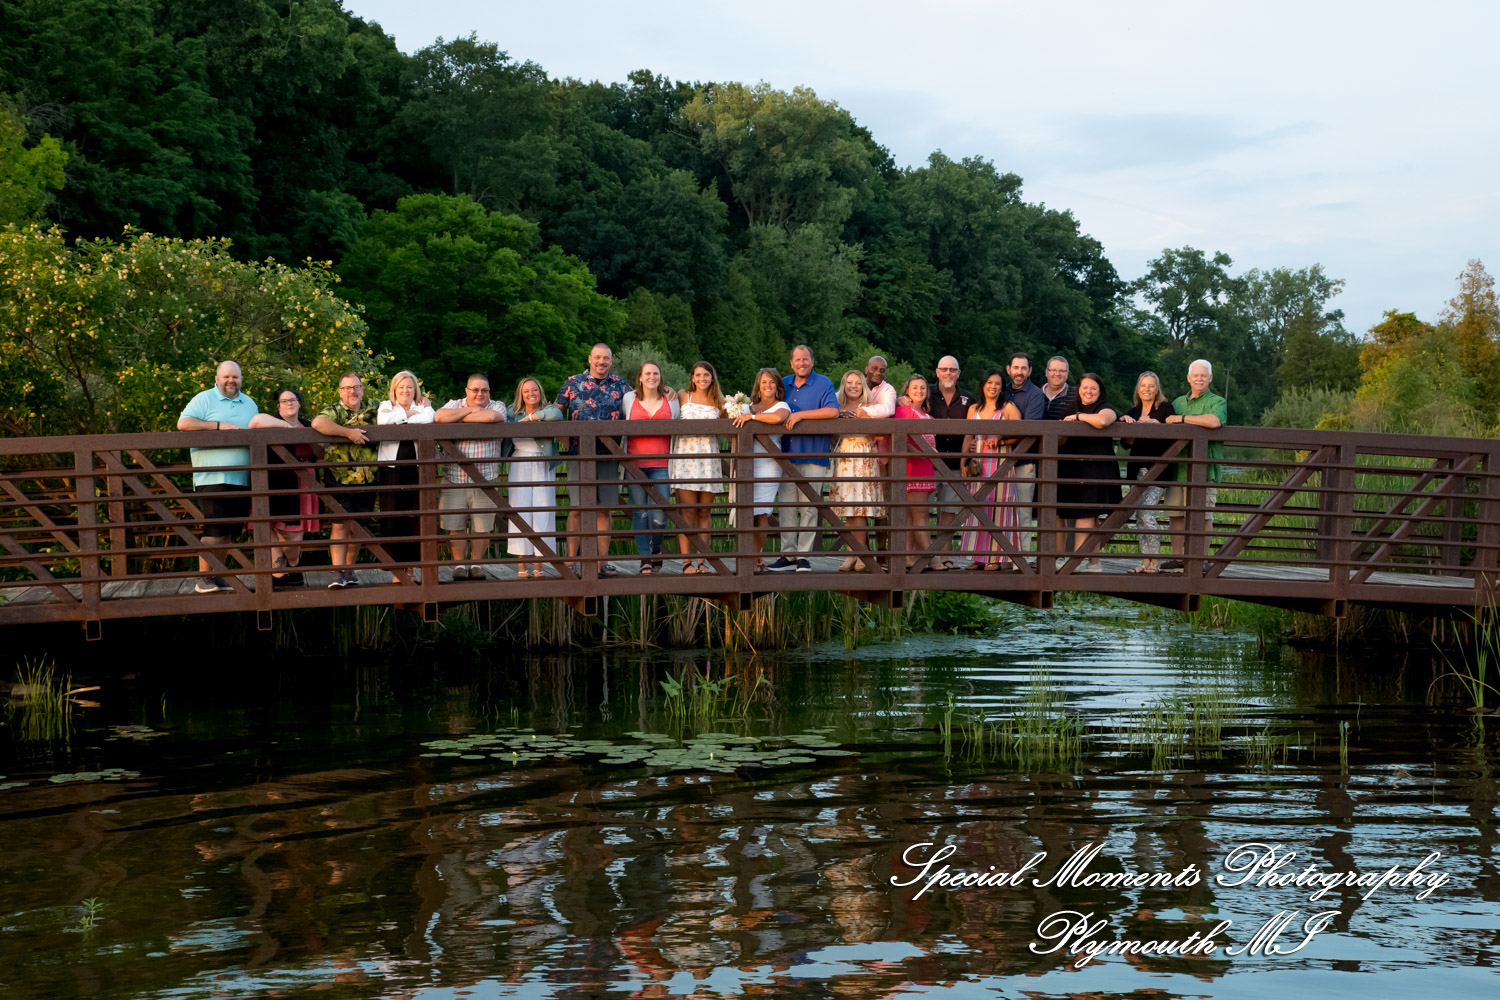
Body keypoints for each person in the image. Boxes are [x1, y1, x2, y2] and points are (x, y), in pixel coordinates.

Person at [176, 361, 259, 594]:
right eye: (226, 377)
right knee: (214, 529)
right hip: (212, 477)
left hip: (242, 478)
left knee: (228, 531)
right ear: (217, 379)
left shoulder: (249, 403)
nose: (231, 381)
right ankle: (203, 579)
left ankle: (217, 575)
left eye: (235, 377)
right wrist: (219, 426)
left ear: (241, 379)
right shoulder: (204, 399)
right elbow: (183, 423)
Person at [555, 343, 633, 578]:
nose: (602, 362)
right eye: (598, 357)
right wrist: (566, 442)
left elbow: (642, 404)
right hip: (579, 455)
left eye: (606, 358)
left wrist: (667, 391)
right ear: (590, 359)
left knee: (603, 510)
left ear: (611, 360)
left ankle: (603, 562)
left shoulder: (621, 385)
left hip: (608, 455)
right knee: (577, 508)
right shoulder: (573, 382)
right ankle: (571, 561)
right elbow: (556, 413)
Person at [770, 345, 839, 573]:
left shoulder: (823, 383)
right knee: (787, 507)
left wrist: (799, 415)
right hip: (786, 454)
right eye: (798, 360)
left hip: (813, 453)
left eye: (805, 359)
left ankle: (803, 557)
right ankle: (788, 555)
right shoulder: (783, 384)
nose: (802, 363)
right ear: (791, 363)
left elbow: (832, 412)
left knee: (809, 508)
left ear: (812, 361)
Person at [434, 373, 507, 581]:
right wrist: (471, 410)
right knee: (454, 525)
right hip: (454, 477)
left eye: (484, 390)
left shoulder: (497, 405)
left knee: (482, 527)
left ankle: (476, 565)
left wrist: (458, 418)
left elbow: (491, 418)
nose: (480, 394)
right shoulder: (453, 403)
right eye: (475, 390)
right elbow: (439, 417)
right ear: (466, 390)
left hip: (485, 478)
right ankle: (459, 565)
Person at [311, 372, 379, 590]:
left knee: (358, 527)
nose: (352, 391)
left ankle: (349, 571)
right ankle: (337, 572)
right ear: (340, 392)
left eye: (356, 387)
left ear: (362, 390)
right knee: (340, 525)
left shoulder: (375, 408)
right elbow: (317, 423)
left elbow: (397, 412)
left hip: (369, 478)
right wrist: (348, 433)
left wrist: (422, 403)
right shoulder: (335, 411)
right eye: (347, 388)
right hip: (339, 478)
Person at [248, 388, 320, 590]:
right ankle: (280, 572)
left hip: (302, 480)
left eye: (293, 400)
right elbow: (254, 422)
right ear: (278, 406)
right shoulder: (272, 421)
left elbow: (321, 452)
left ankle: (294, 565)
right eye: (284, 401)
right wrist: (288, 427)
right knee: (267, 523)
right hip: (274, 478)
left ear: (299, 403)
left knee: (293, 533)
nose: (289, 403)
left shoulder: (307, 425)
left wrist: (308, 436)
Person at [1161, 359, 1228, 572]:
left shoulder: (1218, 401)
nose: (1199, 379)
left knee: (1204, 516)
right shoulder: (1177, 401)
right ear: (1188, 378)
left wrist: (1182, 419)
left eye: (1203, 376)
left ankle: (1201, 560)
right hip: (1178, 468)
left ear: (1210, 378)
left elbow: (1214, 422)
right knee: (1176, 515)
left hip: (1204, 470)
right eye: (1195, 375)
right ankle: (1178, 559)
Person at [1057, 373, 1121, 572]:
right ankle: (1093, 562)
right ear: (1079, 389)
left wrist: (1078, 418)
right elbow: (1060, 438)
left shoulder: (1105, 407)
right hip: (1074, 468)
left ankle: (1076, 561)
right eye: (1085, 387)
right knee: (1089, 516)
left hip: (1096, 469)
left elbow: (1103, 422)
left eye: (1093, 388)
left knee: (1086, 514)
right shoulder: (1071, 406)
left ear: (1100, 391)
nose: (1089, 392)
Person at [959, 370, 1022, 570]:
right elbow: (968, 437)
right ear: (983, 385)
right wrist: (963, 462)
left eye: (997, 383)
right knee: (978, 507)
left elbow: (1021, 433)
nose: (993, 387)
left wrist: (1001, 438)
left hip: (1000, 463)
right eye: (989, 383)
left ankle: (995, 557)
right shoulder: (973, 409)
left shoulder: (1008, 408)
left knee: (999, 508)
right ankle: (978, 556)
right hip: (978, 464)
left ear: (1001, 387)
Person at [375, 371, 434, 585]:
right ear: (394, 389)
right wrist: (410, 415)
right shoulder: (385, 405)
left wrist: (401, 418)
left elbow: (430, 418)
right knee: (392, 517)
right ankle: (396, 568)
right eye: (401, 387)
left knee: (414, 519)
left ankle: (410, 568)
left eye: (409, 387)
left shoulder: (424, 405)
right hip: (391, 470)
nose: (405, 391)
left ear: (415, 389)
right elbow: (383, 421)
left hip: (417, 470)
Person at [731, 368, 791, 572]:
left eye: (772, 382)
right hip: (747, 463)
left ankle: (754, 557)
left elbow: (777, 419)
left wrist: (753, 418)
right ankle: (751, 557)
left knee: (761, 513)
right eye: (764, 382)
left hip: (768, 465)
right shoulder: (747, 406)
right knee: (746, 512)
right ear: (758, 385)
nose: (768, 386)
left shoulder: (781, 406)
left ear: (778, 386)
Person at [669, 361, 727, 575]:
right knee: (688, 511)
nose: (702, 378)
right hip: (686, 458)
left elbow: (730, 426)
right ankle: (686, 562)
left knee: (704, 511)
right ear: (692, 378)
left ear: (712, 377)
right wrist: (666, 389)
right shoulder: (683, 395)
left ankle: (702, 561)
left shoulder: (720, 401)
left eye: (706, 375)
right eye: (698, 375)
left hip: (709, 460)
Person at [622, 361, 678, 574]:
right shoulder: (629, 398)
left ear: (660, 377)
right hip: (634, 464)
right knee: (640, 513)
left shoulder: (671, 400)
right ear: (640, 377)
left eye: (655, 373)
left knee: (660, 516)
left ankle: (656, 549)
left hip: (662, 465)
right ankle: (644, 558)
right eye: (647, 373)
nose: (651, 377)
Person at [1117, 372, 1176, 574]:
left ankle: (1155, 561)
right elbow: (1126, 443)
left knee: (1147, 513)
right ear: (1138, 389)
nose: (1147, 389)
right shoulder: (1133, 412)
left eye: (1151, 386)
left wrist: (1152, 425)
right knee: (1139, 517)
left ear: (1157, 388)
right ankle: (1145, 561)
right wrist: (1128, 425)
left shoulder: (1165, 408)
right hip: (1137, 469)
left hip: (1158, 470)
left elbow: (1169, 434)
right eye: (1143, 385)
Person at [505, 378, 563, 579]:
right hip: (520, 462)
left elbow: (557, 414)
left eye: (534, 390)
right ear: (521, 394)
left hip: (542, 463)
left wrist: (531, 418)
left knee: (542, 510)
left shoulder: (548, 410)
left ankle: (539, 562)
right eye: (526, 391)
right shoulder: (512, 412)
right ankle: (522, 564)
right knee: (520, 510)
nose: (531, 394)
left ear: (540, 391)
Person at [830, 370, 883, 571]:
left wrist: (864, 417)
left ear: (863, 387)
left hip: (863, 455)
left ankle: (862, 554)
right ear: (844, 385)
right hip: (844, 456)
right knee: (849, 510)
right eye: (849, 382)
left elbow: (880, 433)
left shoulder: (870, 405)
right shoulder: (836, 406)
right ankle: (852, 553)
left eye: (858, 383)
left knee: (859, 508)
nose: (853, 386)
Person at [1002, 351, 1045, 560]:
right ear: (1008, 369)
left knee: (1023, 512)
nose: (1019, 372)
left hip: (1024, 461)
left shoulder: (1035, 395)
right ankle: (1000, 556)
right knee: (999, 511)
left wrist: (1000, 440)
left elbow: (1029, 430)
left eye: (1023, 368)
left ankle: (1023, 558)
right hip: (997, 461)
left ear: (1029, 371)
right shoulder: (1000, 390)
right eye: (1016, 368)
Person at [894, 375, 939, 571]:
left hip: (926, 468)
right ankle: (932, 558)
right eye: (914, 388)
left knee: (913, 516)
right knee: (921, 515)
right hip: (912, 468)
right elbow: (901, 440)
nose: (919, 391)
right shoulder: (904, 410)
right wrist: (923, 453)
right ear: (907, 391)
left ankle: (908, 556)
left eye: (922, 388)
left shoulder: (927, 415)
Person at [927, 356, 975, 536]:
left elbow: (975, 427)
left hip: (955, 466)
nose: (948, 373)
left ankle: (943, 551)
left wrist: (975, 443)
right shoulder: (925, 393)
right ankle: (921, 551)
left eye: (952, 370)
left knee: (949, 515)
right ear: (937, 372)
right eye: (944, 369)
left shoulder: (968, 398)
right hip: (928, 465)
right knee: (921, 512)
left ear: (958, 373)